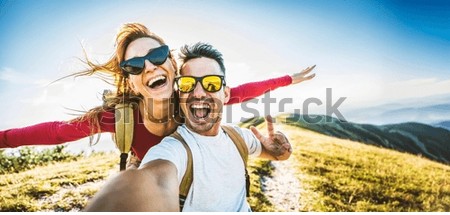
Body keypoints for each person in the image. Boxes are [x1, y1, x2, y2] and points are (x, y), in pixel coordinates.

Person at [0, 23, 314, 167]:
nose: (149, 65)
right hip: (147, 169)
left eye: (158, 54)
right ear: (131, 82)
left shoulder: (193, 100)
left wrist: (289, 79)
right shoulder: (120, 116)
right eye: (135, 65)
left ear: (173, 65)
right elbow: (57, 132)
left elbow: (243, 92)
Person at [84, 42, 292, 212]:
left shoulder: (238, 137)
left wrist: (279, 151)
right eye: (187, 84)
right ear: (179, 94)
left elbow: (277, 155)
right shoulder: (173, 150)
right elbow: (153, 181)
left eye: (211, 84)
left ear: (226, 94)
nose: (199, 93)